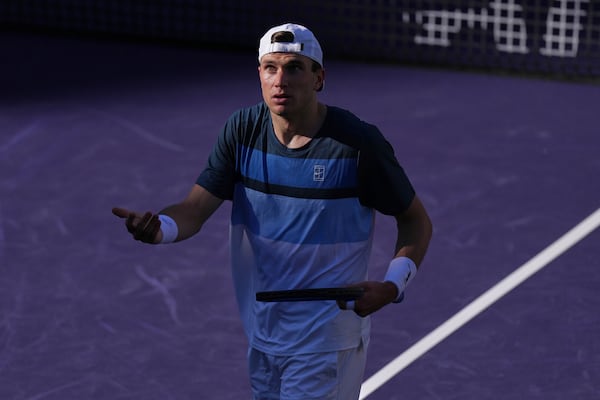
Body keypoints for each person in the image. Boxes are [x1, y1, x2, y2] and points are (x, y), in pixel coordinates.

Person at [113, 22, 432, 400]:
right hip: (264, 331)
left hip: (325, 338)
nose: (280, 79)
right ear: (260, 75)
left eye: (295, 67)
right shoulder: (242, 130)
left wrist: (393, 285)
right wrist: (159, 228)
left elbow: (415, 221)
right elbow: (194, 209)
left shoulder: (357, 144)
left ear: (319, 78)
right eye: (271, 68)